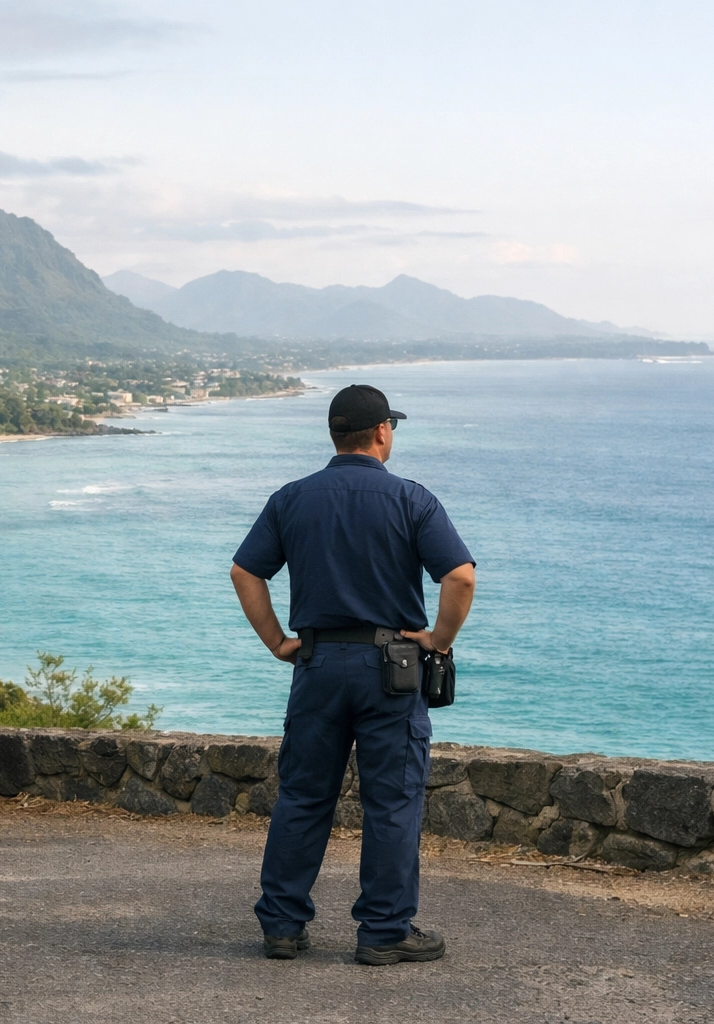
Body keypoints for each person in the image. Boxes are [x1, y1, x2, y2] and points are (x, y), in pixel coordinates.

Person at [229, 383, 476, 966]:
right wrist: (438, 641)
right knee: (391, 801)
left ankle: (282, 927)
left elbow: (245, 572)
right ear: (383, 432)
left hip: (316, 665)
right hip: (390, 668)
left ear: (336, 435)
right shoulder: (412, 500)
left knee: (303, 796)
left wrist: (278, 644)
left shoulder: (292, 498)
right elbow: (459, 577)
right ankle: (383, 932)